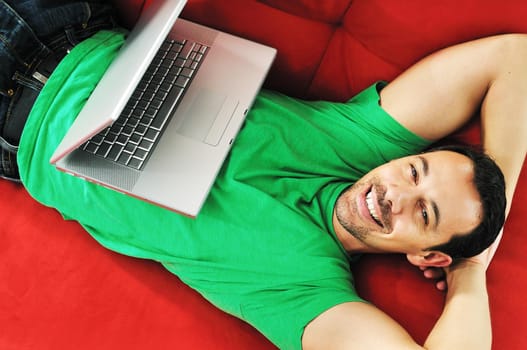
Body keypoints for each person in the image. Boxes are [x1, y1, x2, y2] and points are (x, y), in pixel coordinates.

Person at [2, 1, 526, 350]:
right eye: (415, 172)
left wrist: (472, 269)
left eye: (425, 213)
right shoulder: (358, 144)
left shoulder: (305, 291)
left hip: (12, 126)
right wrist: (491, 211)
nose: (395, 195)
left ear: (427, 255)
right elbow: (515, 58)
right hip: (62, 20)